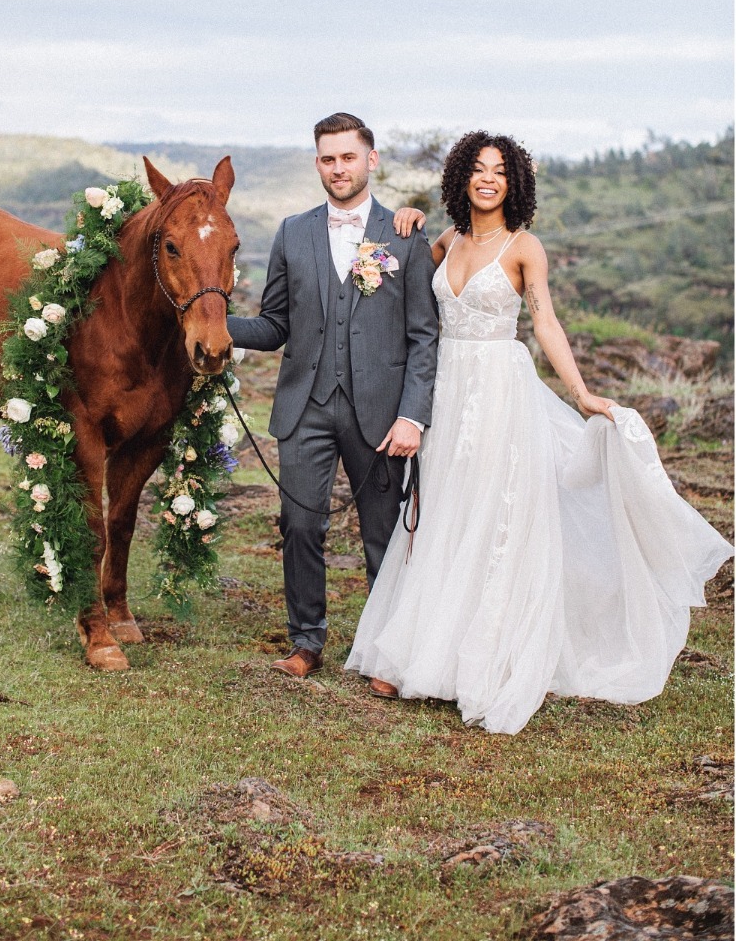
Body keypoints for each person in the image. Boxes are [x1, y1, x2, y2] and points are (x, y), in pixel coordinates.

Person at [346, 130, 733, 733]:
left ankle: (477, 656)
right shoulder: (444, 242)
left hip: (500, 390)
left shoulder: (526, 248)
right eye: (477, 168)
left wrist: (581, 395)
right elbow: (393, 287)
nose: (487, 178)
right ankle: (414, 650)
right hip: (445, 388)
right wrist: (407, 218)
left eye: (499, 171)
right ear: (461, 178)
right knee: (440, 508)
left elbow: (545, 323)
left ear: (513, 183)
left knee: (489, 516)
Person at [227, 112, 439, 679]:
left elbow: (424, 335)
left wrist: (413, 415)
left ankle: (385, 652)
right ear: (316, 163)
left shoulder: (405, 234)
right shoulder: (292, 232)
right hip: (306, 407)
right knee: (299, 526)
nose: (338, 168)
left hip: (381, 412)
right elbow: (274, 325)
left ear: (371, 160)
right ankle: (306, 642)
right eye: (327, 158)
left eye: (348, 157)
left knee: (383, 533)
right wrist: (215, 325)